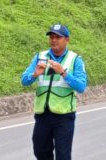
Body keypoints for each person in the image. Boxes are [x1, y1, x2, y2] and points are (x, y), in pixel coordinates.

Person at [21, 24, 87, 160]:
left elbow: (81, 86)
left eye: (58, 37)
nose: (53, 40)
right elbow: (24, 80)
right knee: (40, 151)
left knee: (63, 155)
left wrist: (63, 72)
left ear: (67, 39)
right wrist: (34, 74)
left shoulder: (75, 60)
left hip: (64, 116)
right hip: (43, 115)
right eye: (51, 37)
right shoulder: (40, 57)